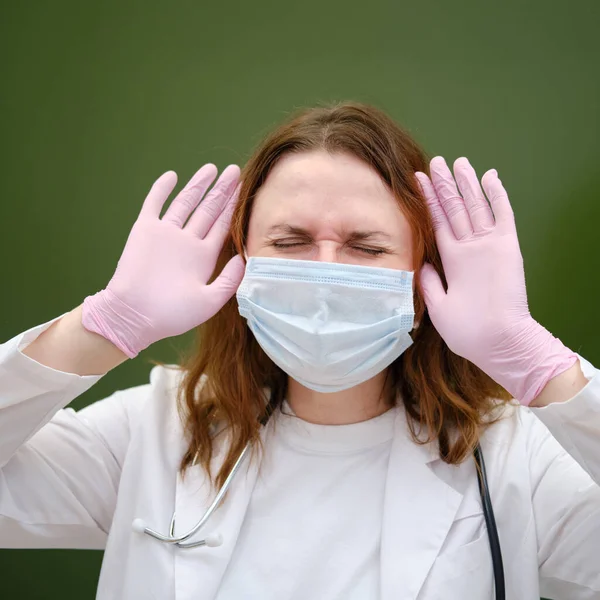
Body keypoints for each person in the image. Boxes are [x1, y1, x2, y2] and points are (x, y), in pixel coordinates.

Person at [0, 102, 598, 600]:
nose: (327, 277)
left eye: (367, 248)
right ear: (240, 264)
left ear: (425, 278)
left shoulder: (516, 457)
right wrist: (106, 326)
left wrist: (534, 364)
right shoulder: (154, 432)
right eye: (290, 241)